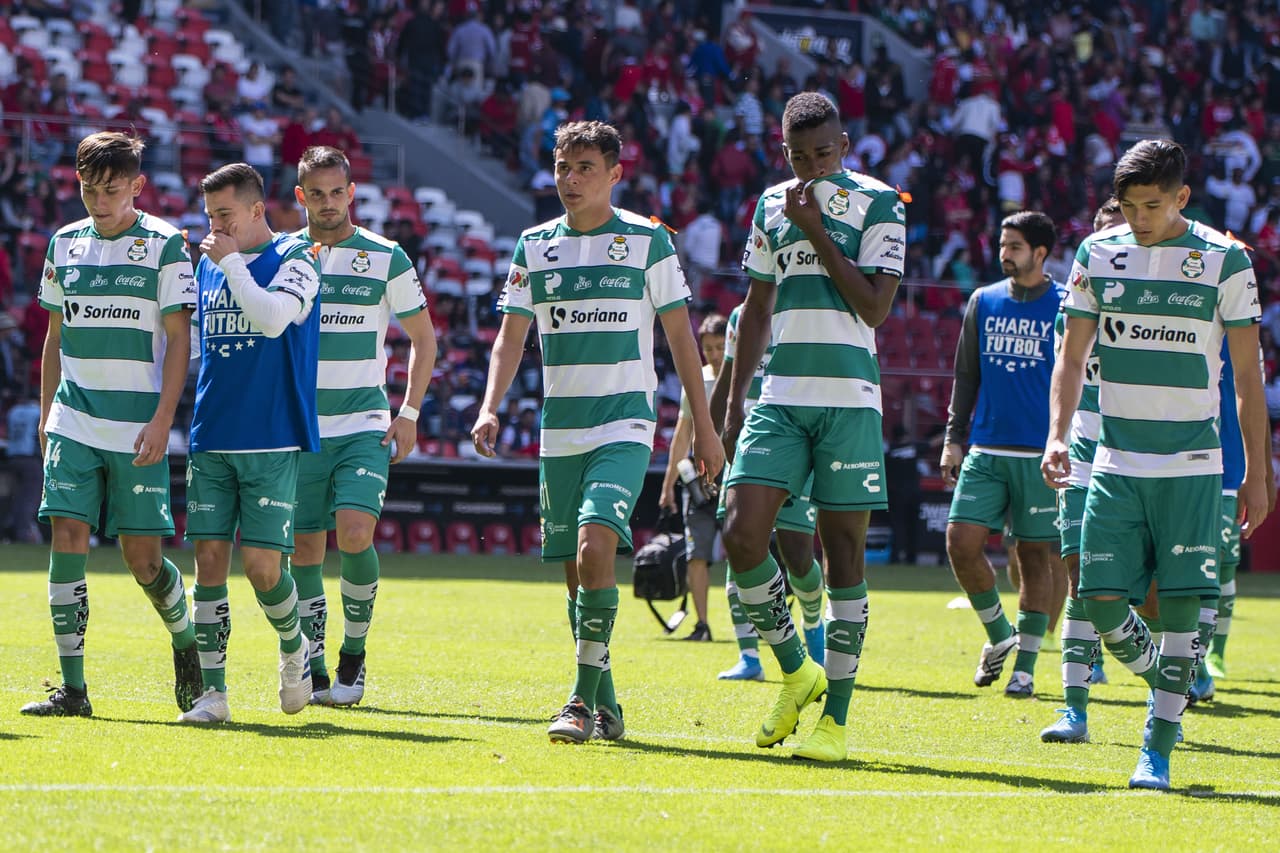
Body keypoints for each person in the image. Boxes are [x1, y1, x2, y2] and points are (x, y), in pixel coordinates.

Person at [470, 120, 723, 744]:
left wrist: (706, 428)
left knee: (593, 551)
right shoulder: (534, 245)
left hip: (625, 424)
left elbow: (682, 340)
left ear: (615, 174)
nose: (572, 178)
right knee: (575, 576)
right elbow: (510, 339)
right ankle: (608, 703)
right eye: (564, 167)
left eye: (586, 167)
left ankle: (579, 703)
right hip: (561, 431)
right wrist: (489, 406)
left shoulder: (647, 241)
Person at [1043, 139, 1271, 790]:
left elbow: (1247, 379)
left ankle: (1157, 750)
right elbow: (1070, 356)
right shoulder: (1097, 254)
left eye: (1151, 206)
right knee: (1097, 598)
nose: (1138, 219)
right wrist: (1056, 434)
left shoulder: (1224, 260)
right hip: (1114, 459)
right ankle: (1161, 675)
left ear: (1181, 197)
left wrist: (1258, 472)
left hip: (1192, 466)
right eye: (1128, 206)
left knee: (1179, 608)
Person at [720, 92, 905, 762]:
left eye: (823, 153)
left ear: (845, 145)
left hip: (849, 400)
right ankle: (799, 671)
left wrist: (817, 229)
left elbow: (874, 307)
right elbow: (756, 306)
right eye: (799, 156)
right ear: (784, 152)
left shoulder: (880, 203)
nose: (812, 166)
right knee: (741, 535)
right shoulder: (771, 203)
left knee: (844, 556)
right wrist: (733, 403)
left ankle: (836, 721)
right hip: (780, 397)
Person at [21, 132, 201, 718]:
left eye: (111, 189)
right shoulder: (64, 243)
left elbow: (179, 341)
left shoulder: (165, 246)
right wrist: (47, 414)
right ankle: (73, 689)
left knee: (142, 561)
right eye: (88, 189)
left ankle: (185, 641)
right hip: (74, 420)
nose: (99, 201)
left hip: (137, 428)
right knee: (67, 539)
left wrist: (163, 419)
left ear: (137, 186)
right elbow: (54, 338)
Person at [285, 146, 436, 706]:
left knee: (353, 534)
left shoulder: (386, 256)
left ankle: (353, 658)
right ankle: (314, 666)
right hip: (298, 428)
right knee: (304, 548)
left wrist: (409, 412)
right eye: (316, 194)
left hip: (364, 425)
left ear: (352, 193)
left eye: (337, 192)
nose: (328, 203)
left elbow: (424, 340)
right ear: (301, 196)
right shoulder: (281, 256)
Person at [180, 163, 323, 724]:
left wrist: (231, 264)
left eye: (225, 215)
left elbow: (271, 320)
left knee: (263, 570)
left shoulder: (297, 258)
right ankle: (213, 694)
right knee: (208, 562)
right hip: (212, 433)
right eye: (209, 215)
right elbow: (197, 347)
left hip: (271, 436)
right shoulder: (209, 265)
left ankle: (294, 645)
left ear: (257, 210)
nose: (215, 227)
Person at [940, 210, 1064, 698]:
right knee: (960, 542)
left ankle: (1025, 670)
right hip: (986, 448)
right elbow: (965, 375)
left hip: (1040, 453)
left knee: (1034, 557)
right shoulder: (983, 300)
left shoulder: (1067, 304)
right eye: (1002, 245)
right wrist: (953, 437)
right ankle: (999, 633)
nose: (1004, 253)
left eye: (1014, 246)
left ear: (1040, 252)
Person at [1039, 197, 1126, 745]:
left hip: (1140, 454)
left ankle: (1170, 672)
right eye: (1102, 234)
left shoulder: (1159, 304)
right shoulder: (1071, 307)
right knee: (1079, 573)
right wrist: (1057, 436)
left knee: (1148, 594)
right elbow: (1065, 372)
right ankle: (1075, 708)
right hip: (1083, 451)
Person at [709, 302, 826, 681]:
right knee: (738, 545)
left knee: (798, 556)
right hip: (747, 444)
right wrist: (708, 436)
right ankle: (749, 657)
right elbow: (727, 379)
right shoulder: (741, 316)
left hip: (796, 441)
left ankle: (814, 629)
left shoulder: (805, 311)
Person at [659, 312, 727, 641]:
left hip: (736, 477)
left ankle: (753, 625)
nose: (714, 354)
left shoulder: (746, 377)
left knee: (745, 552)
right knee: (696, 554)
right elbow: (682, 433)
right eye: (708, 348)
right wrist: (668, 485)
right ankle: (702, 625)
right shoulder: (696, 380)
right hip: (699, 480)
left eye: (720, 347)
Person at [4, 388, 43, 544]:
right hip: (30, 459)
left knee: (15, 497)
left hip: (12, 456)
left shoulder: (14, 411)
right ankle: (23, 532)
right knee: (30, 498)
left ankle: (9, 529)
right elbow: (39, 436)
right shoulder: (38, 411)